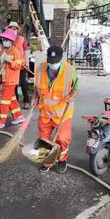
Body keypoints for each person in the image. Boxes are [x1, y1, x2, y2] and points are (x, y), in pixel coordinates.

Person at [35, 45, 79, 174]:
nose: (53, 65)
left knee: (63, 139)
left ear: (61, 60)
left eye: (55, 63)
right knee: (44, 139)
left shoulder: (70, 71)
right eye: (50, 62)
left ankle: (62, 159)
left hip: (62, 114)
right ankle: (47, 161)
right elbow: (37, 88)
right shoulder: (40, 69)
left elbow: (76, 89)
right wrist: (34, 97)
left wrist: (72, 96)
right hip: (45, 113)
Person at [0, 28, 25, 129]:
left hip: (11, 80)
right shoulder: (3, 50)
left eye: (7, 40)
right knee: (11, 99)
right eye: (4, 39)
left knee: (5, 100)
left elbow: (18, 65)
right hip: (4, 78)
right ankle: (19, 116)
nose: (5, 41)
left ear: (12, 41)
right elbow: (0, 63)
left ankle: (1, 122)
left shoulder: (15, 51)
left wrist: (10, 61)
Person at [9, 21, 31, 109]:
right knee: (14, 85)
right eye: (11, 28)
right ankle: (16, 103)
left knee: (23, 84)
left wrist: (27, 63)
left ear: (18, 30)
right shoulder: (8, 39)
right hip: (12, 66)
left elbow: (26, 52)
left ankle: (26, 101)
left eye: (15, 29)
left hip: (21, 66)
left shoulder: (22, 39)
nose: (13, 30)